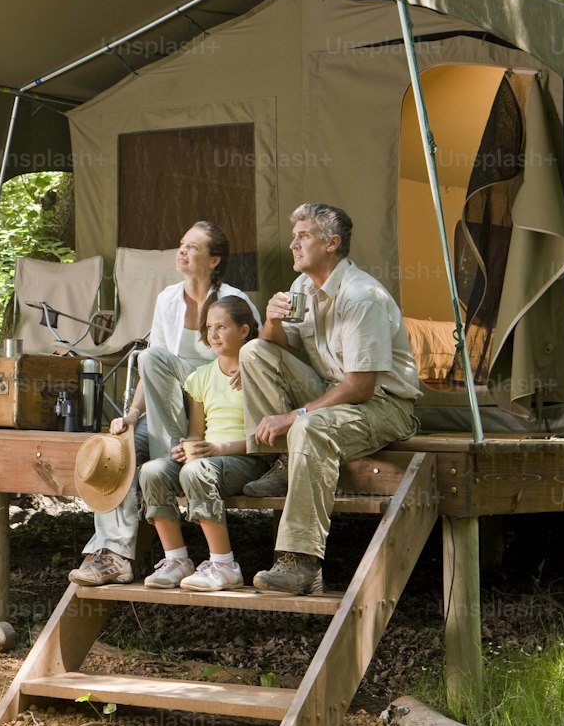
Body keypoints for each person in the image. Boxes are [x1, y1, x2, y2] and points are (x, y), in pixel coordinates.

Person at [239, 203, 421, 597]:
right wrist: (270, 322)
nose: (293, 244)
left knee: (310, 425)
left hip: (383, 405)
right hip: (330, 389)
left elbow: (360, 387)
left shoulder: (361, 296)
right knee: (253, 350)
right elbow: (281, 347)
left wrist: (293, 416)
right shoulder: (302, 288)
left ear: (332, 243)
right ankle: (282, 459)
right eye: (295, 236)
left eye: (303, 236)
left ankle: (300, 562)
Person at [69, 221, 259, 586]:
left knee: (152, 360)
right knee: (117, 451)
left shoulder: (235, 301)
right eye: (181, 244)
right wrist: (132, 413)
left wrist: (245, 369)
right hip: (166, 413)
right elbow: (152, 369)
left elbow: (261, 351)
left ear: (215, 260)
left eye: (193, 248)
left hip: (214, 411)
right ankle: (114, 554)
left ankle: (165, 462)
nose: (182, 252)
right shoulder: (167, 299)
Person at [138, 297, 265, 591]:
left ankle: (224, 564)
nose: (213, 334)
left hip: (246, 459)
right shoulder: (200, 377)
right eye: (209, 328)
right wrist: (188, 447)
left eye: (222, 327)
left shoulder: (259, 373)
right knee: (152, 471)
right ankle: (177, 559)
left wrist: (219, 449)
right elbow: (197, 432)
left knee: (194, 472)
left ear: (244, 330)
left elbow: (265, 437)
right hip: (211, 458)